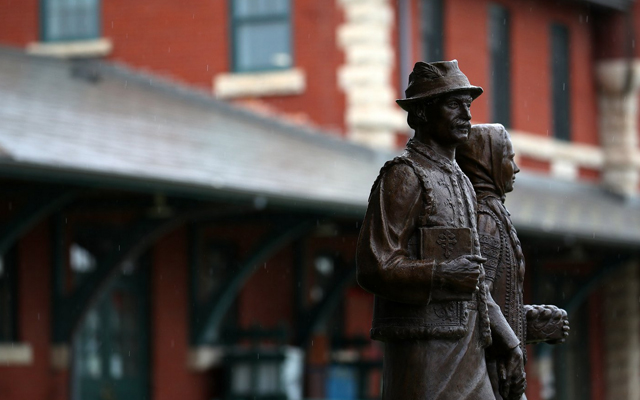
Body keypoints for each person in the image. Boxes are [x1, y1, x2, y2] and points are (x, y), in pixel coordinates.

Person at [356, 61, 525, 400]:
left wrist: (507, 340)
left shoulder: (461, 180)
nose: (466, 114)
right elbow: (375, 265)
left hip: (469, 351)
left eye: (468, 105)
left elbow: (475, 279)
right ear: (420, 114)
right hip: (426, 358)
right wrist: (442, 274)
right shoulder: (404, 175)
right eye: (453, 104)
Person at [456, 124, 570, 400]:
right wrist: (511, 343)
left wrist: (533, 323)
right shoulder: (485, 221)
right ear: (488, 164)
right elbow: (477, 295)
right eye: (509, 158)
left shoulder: (492, 215)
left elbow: (494, 302)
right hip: (489, 375)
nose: (516, 169)